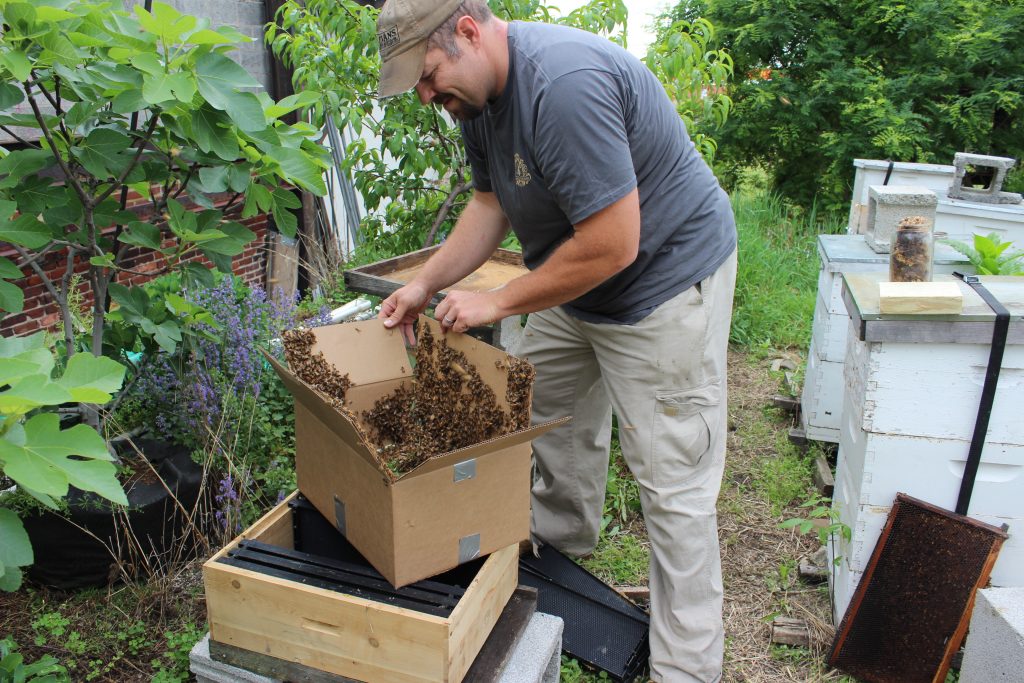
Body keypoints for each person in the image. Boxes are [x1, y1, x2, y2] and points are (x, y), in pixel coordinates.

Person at [375, 1, 737, 680]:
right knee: (535, 406)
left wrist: (498, 297)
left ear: (470, 33)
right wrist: (424, 285)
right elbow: (489, 206)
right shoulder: (478, 103)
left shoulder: (562, 86)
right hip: (581, 279)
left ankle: (687, 668)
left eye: (426, 75)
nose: (426, 95)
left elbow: (614, 242)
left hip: (662, 278)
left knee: (671, 476)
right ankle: (562, 554)